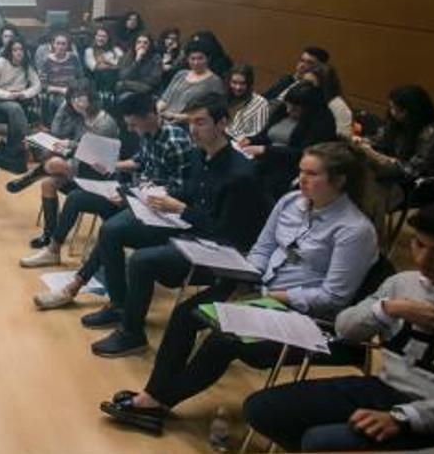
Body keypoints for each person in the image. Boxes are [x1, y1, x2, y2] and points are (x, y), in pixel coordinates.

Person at [101, 141, 379, 433]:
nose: (301, 180)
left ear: (339, 181)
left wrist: (270, 295)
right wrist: (246, 276)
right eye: (301, 172)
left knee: (223, 338)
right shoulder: (290, 202)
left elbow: (333, 297)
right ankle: (153, 395)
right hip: (258, 288)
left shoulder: (354, 230)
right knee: (186, 313)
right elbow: (262, 248)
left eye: (312, 174)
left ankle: (159, 402)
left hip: (299, 311)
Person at [244, 200, 434, 452]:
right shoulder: (403, 283)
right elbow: (345, 329)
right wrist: (388, 309)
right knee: (263, 409)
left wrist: (402, 417)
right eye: (418, 244)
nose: (423, 259)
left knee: (321, 441)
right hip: (386, 388)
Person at [89, 93, 272, 356]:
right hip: (190, 227)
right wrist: (160, 195)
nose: (193, 130)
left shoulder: (241, 173)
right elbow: (191, 189)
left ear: (222, 124)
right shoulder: (201, 155)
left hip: (221, 247)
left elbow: (226, 231)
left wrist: (181, 208)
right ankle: (119, 306)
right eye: (190, 123)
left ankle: (132, 334)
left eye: (201, 123)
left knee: (141, 261)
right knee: (111, 231)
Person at [21, 92, 195, 283]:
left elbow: (179, 188)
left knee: (110, 229)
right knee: (76, 198)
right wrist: (112, 165)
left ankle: (80, 280)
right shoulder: (149, 132)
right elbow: (139, 161)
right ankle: (53, 250)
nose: (130, 129)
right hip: (136, 194)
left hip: (155, 207)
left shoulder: (174, 141)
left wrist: (133, 194)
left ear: (150, 116)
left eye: (133, 124)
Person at [11, 83, 120, 250]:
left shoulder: (105, 123)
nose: (76, 102)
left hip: (97, 174)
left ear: (91, 98)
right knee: (47, 184)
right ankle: (49, 235)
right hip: (79, 165)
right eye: (72, 98)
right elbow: (57, 131)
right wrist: (65, 104)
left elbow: (94, 156)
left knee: (54, 163)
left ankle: (28, 178)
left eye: (80, 98)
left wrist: (69, 147)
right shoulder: (80, 116)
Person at [353, 84, 434, 208]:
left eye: (398, 110)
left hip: (419, 184)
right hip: (397, 169)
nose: (393, 113)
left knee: (367, 182)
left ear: (414, 111)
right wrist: (361, 141)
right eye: (391, 107)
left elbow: (414, 170)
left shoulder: (431, 132)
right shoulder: (396, 121)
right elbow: (380, 140)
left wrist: (384, 160)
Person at [241, 82, 339, 200]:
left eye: (295, 109)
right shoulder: (284, 110)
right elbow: (267, 133)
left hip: (289, 168)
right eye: (288, 106)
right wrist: (251, 140)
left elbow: (304, 153)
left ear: (308, 109)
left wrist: (266, 150)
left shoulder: (322, 123)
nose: (288, 111)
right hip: (265, 159)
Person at [0, 38, 42, 173]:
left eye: (21, 49)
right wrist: (8, 95)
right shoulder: (1, 63)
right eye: (15, 50)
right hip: (0, 102)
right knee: (15, 109)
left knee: (17, 109)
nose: (18, 53)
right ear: (10, 51)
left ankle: (11, 154)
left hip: (21, 101)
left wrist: (24, 94)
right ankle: (18, 152)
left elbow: (37, 85)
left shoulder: (27, 64)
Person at [157, 41, 225, 121]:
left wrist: (176, 117)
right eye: (192, 59)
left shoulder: (214, 82)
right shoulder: (181, 74)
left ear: (208, 59)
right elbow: (164, 99)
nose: (196, 62)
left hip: (189, 124)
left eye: (200, 58)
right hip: (164, 119)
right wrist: (159, 111)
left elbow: (210, 112)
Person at [38, 32, 86, 115]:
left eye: (63, 44)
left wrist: (76, 90)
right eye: (58, 43)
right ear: (53, 45)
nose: (60, 46)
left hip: (74, 91)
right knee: (68, 104)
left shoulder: (73, 58)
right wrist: (61, 90)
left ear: (67, 46)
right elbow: (43, 85)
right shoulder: (46, 61)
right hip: (55, 94)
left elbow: (81, 78)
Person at [304, 62, 354, 138]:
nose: (305, 88)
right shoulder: (308, 98)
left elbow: (344, 136)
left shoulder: (338, 106)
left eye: (309, 84)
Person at [263, 46, 330, 101]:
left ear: (319, 68)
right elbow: (264, 98)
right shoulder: (287, 79)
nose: (302, 65)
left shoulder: (320, 90)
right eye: (302, 60)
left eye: (309, 63)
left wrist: (313, 86)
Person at [225, 64, 270, 140]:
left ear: (249, 84)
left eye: (242, 84)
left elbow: (258, 134)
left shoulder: (260, 103)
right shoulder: (222, 97)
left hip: (241, 145)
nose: (238, 87)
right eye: (234, 82)